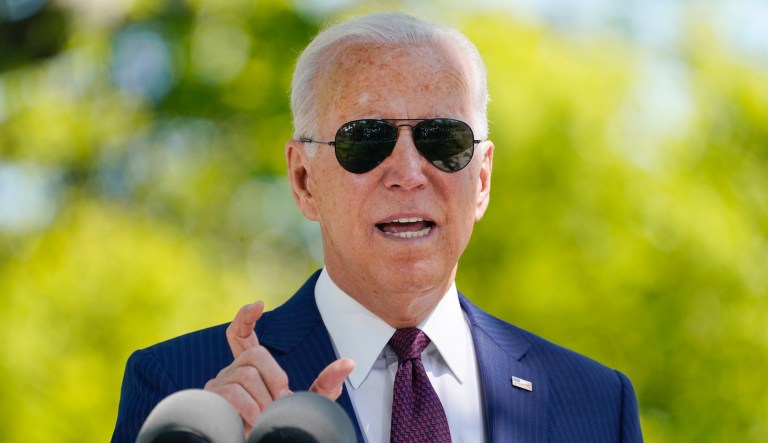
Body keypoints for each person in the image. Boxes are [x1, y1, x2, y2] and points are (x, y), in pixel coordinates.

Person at [111, 12, 643, 443]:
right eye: (365, 140)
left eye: (442, 139)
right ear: (303, 180)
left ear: (481, 180)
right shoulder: (183, 394)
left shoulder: (596, 403)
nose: (408, 172)